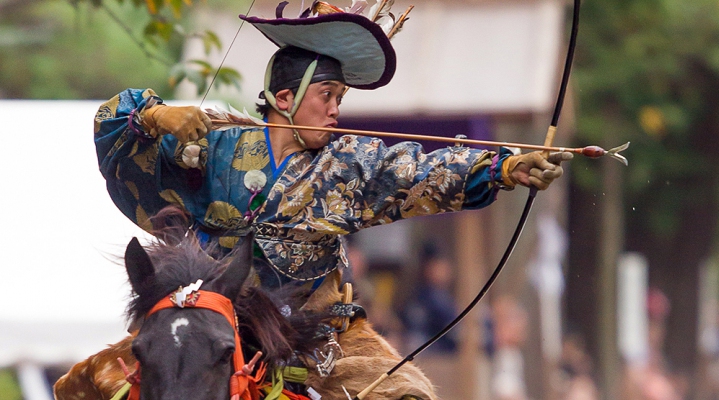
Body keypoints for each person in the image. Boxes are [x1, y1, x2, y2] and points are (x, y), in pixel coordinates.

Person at [59, 2, 572, 398]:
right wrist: (155, 116)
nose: (335, 111)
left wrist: (503, 166)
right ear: (284, 99)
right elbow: (113, 129)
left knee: (408, 394)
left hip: (316, 334)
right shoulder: (211, 147)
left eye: (340, 100)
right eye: (326, 96)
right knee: (80, 387)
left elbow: (418, 171)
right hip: (209, 320)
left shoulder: (347, 164)